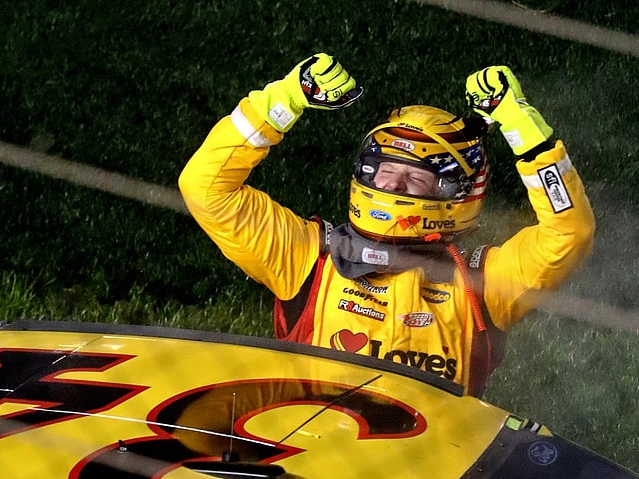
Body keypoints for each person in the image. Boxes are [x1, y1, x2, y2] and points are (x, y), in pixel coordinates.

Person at [178, 55, 595, 396]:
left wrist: (527, 132)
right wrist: (283, 101)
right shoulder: (307, 255)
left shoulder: (484, 282)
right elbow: (204, 188)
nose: (392, 184)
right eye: (381, 169)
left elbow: (569, 234)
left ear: (456, 193)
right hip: (311, 469)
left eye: (414, 176)